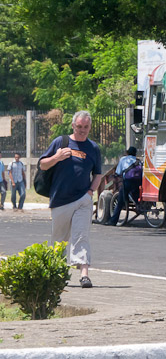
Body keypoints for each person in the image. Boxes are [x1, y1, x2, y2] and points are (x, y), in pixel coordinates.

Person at [39, 111, 104, 289]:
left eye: (86, 127)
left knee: (81, 235)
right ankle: (55, 272)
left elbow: (98, 174)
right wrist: (57, 157)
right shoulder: (61, 142)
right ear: (73, 126)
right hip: (60, 199)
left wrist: (91, 191)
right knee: (59, 238)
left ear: (90, 127)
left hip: (83, 199)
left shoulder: (93, 148)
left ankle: (84, 274)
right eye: (79, 126)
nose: (82, 130)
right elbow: (43, 164)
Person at [105, 146, 142, 226]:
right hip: (139, 182)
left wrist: (115, 176)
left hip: (128, 181)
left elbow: (118, 172)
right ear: (135, 153)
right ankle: (139, 206)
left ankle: (113, 221)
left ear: (127, 152)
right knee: (136, 195)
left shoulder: (123, 159)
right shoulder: (138, 161)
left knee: (120, 202)